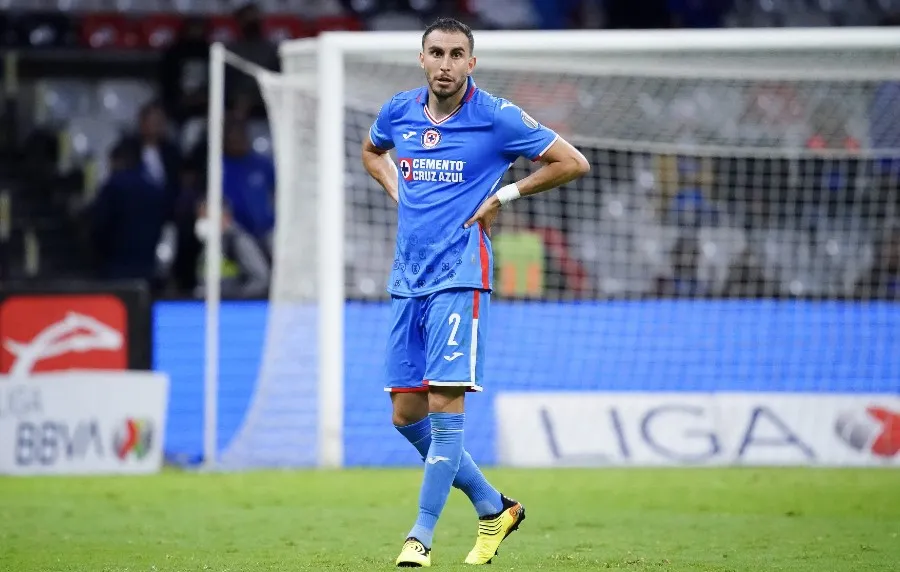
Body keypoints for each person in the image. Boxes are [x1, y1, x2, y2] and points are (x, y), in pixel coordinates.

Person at [361, 17, 590, 567]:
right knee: (405, 414)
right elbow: (372, 151)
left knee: (444, 403)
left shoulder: (496, 116)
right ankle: (495, 507)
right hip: (408, 276)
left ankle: (420, 536)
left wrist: (505, 195)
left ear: (472, 62)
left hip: (461, 275)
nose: (445, 63)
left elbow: (572, 162)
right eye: (435, 53)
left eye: (456, 54)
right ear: (422, 59)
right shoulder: (399, 110)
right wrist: (400, 192)